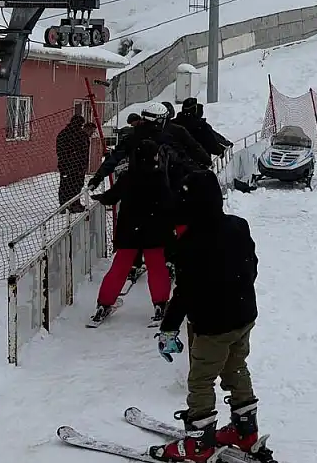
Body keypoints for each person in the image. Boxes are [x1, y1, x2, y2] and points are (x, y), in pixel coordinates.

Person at [150, 169, 263, 463]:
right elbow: (251, 266)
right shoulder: (238, 226)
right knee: (236, 367)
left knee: (201, 379)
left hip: (213, 325)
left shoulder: (191, 242)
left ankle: (198, 443)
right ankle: (245, 430)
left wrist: (168, 328)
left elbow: (185, 292)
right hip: (243, 316)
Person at [89, 138, 175, 323]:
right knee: (157, 268)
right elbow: (168, 202)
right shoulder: (159, 177)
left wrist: (101, 197)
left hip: (129, 230)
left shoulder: (127, 177)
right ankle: (160, 304)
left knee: (119, 267)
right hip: (154, 230)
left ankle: (104, 303)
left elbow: (112, 197)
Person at [88, 102, 210, 191]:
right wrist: (203, 164)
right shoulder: (173, 134)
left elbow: (115, 157)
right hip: (168, 186)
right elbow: (191, 150)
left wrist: (98, 177)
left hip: (141, 188)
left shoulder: (134, 136)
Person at [56, 112, 94, 213]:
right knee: (76, 186)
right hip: (77, 166)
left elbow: (59, 150)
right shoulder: (81, 135)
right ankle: (74, 204)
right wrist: (82, 165)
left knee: (65, 185)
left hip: (65, 165)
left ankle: (64, 206)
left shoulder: (63, 133)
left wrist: (64, 161)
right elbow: (83, 152)